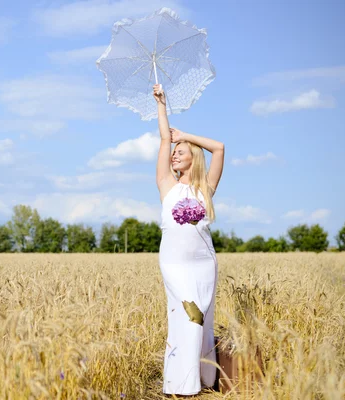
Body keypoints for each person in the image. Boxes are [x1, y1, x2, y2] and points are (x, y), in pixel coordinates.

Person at [152, 83, 225, 396]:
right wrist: (161, 105)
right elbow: (164, 137)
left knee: (202, 321)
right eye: (172, 153)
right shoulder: (167, 185)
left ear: (192, 157)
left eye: (179, 153)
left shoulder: (205, 189)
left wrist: (187, 137)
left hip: (203, 264)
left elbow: (219, 147)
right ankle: (181, 385)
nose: (173, 156)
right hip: (174, 264)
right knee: (188, 316)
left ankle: (203, 380)